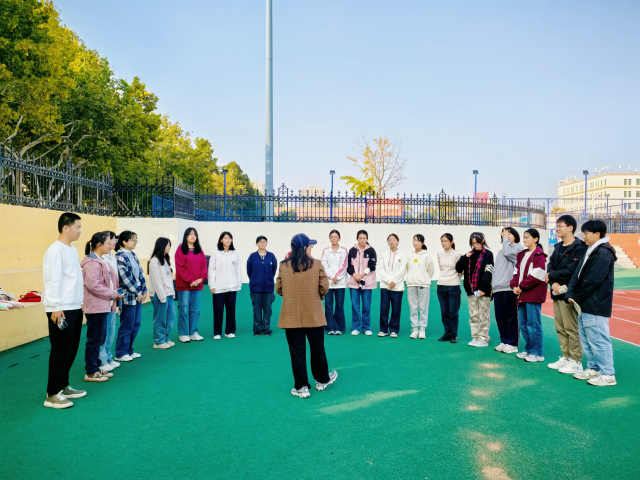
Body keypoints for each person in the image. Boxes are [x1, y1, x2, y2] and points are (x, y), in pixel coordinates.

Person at [276, 233, 337, 398]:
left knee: (297, 352)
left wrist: (291, 297)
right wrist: (317, 297)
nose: (311, 248)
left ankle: (301, 387)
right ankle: (322, 380)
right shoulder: (316, 264)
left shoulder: (283, 265)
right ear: (304, 248)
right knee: (317, 349)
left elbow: (279, 288)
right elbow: (324, 287)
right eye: (310, 246)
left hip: (291, 316)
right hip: (314, 314)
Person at [565, 220, 617, 386]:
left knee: (598, 339)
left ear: (597, 234)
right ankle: (594, 368)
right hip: (585, 303)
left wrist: (576, 297)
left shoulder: (604, 252)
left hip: (596, 304)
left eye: (586, 233)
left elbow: (593, 280)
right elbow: (577, 275)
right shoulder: (591, 250)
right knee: (587, 339)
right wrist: (571, 293)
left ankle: (608, 374)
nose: (583, 236)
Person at [43, 213, 86, 409]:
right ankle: (52, 394)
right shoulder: (55, 250)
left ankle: (63, 386)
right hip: (60, 309)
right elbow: (53, 280)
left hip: (74, 306)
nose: (80, 231)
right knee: (60, 350)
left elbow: (74, 279)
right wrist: (55, 307)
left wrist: (80, 302)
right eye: (78, 227)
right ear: (65, 227)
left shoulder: (72, 249)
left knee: (71, 348)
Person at [546, 215, 587, 374]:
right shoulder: (557, 247)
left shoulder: (579, 247)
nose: (557, 229)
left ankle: (576, 360)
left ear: (570, 227)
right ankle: (566, 357)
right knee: (560, 327)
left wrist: (552, 276)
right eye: (556, 226)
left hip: (569, 293)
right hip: (556, 291)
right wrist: (553, 282)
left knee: (570, 327)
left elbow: (571, 270)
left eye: (560, 226)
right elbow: (550, 266)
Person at [81, 231, 122, 382]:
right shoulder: (92, 263)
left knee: (100, 338)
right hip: (95, 306)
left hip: (103, 304)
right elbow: (93, 285)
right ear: (99, 244)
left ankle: (96, 367)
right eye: (108, 243)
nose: (111, 245)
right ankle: (91, 371)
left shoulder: (100, 260)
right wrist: (112, 294)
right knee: (94, 339)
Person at [510, 228, 547, 363]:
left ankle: (537, 353)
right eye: (524, 237)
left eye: (527, 237)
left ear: (536, 239)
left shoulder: (539, 255)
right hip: (522, 294)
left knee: (533, 325)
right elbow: (516, 273)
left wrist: (521, 287)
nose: (524, 239)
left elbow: (536, 276)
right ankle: (529, 349)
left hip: (532, 295)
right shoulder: (522, 254)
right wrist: (514, 286)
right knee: (524, 325)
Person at [456, 233, 494, 347]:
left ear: (483, 241)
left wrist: (483, 288)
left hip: (483, 291)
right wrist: (464, 257)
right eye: (473, 243)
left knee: (483, 315)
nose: (475, 245)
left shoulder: (488, 254)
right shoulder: (469, 255)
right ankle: (475, 337)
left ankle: (483, 339)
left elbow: (488, 271)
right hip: (471, 290)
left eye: (477, 243)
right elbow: (458, 268)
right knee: (473, 315)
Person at [114, 231, 147, 362]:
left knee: (136, 324)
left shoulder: (133, 254)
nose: (135, 242)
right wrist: (139, 292)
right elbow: (126, 278)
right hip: (128, 296)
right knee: (126, 325)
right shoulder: (120, 256)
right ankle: (120, 352)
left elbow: (141, 273)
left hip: (138, 295)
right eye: (133, 240)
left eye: (135, 240)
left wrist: (144, 290)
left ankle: (129, 350)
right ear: (124, 242)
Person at [491, 227, 525, 354]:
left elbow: (509, 253)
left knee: (512, 317)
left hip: (510, 288)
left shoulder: (518, 248)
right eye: (505, 234)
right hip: (498, 288)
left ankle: (513, 343)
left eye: (509, 233)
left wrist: (505, 239)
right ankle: (504, 340)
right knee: (500, 316)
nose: (506, 235)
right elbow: (496, 270)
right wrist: (492, 287)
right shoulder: (501, 251)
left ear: (515, 236)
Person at [174, 228, 208, 343]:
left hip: (198, 285)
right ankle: (183, 334)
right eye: (190, 234)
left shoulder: (199, 251)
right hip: (184, 285)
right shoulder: (180, 249)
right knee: (184, 308)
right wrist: (190, 281)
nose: (193, 236)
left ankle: (193, 332)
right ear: (186, 236)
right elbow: (180, 267)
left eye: (194, 235)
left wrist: (201, 278)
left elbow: (204, 266)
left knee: (195, 309)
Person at [208, 231, 242, 339]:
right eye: (225, 238)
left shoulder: (235, 253)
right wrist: (212, 285)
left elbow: (238, 270)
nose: (228, 240)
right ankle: (217, 333)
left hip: (232, 286)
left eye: (229, 238)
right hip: (219, 286)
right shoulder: (216, 253)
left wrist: (238, 285)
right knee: (218, 309)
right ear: (221, 240)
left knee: (231, 309)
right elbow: (212, 270)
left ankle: (230, 331)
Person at [347, 230, 377, 336]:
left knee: (366, 306)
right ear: (357, 239)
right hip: (354, 283)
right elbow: (349, 266)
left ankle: (366, 328)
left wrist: (361, 275)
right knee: (355, 306)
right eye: (360, 238)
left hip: (367, 283)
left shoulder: (371, 250)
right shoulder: (352, 251)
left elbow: (372, 265)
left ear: (367, 238)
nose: (362, 240)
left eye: (364, 238)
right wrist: (355, 275)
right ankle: (355, 327)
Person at [247, 235, 278, 336]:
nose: (262, 244)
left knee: (268, 309)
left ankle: (266, 329)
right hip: (256, 287)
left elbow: (274, 270)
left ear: (266, 243)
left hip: (268, 287)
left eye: (264, 242)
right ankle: (257, 330)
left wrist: (268, 278)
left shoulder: (271, 256)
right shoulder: (252, 256)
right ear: (257, 243)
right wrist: (255, 279)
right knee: (257, 309)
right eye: (260, 242)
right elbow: (249, 271)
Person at [148, 238, 176, 349]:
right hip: (160, 295)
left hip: (168, 294)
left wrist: (172, 293)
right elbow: (157, 281)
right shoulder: (155, 261)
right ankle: (158, 341)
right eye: (168, 245)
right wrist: (162, 296)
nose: (169, 247)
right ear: (162, 245)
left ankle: (165, 338)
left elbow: (168, 279)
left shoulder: (164, 260)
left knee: (170, 318)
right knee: (160, 318)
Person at [378, 234, 407, 338]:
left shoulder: (402, 255)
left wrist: (394, 281)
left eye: (394, 239)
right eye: (389, 240)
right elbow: (381, 269)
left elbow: (402, 270)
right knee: (384, 308)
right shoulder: (384, 254)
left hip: (397, 286)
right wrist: (389, 281)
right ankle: (383, 330)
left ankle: (394, 330)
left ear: (398, 241)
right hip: (385, 286)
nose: (391, 241)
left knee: (396, 309)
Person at [98, 231, 120, 372]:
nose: (114, 242)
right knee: (103, 332)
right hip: (105, 298)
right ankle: (102, 360)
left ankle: (108, 357)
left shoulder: (112, 256)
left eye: (115, 240)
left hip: (113, 297)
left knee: (111, 331)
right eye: (112, 239)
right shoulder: (101, 258)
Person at [406, 234, 435, 339]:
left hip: (423, 284)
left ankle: (422, 329)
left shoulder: (427, 256)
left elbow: (431, 270)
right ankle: (414, 329)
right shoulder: (409, 256)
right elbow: (408, 268)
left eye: (418, 241)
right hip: (411, 284)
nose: (415, 243)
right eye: (414, 240)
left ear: (422, 243)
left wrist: (424, 278)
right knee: (413, 308)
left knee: (423, 308)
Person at [321, 230, 349, 335]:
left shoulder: (344, 250)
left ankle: (339, 328)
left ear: (339, 238)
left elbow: (344, 265)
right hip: (329, 283)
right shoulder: (325, 251)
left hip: (340, 283)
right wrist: (332, 277)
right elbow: (324, 265)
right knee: (328, 305)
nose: (334, 239)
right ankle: (330, 328)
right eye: (332, 237)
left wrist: (336, 277)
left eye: (336, 237)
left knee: (339, 305)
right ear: (329, 238)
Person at [437, 234, 462, 343]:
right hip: (441, 285)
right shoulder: (439, 254)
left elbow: (460, 272)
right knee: (444, 312)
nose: (444, 243)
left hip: (454, 286)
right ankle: (447, 333)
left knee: (453, 312)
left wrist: (453, 279)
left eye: (446, 241)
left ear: (451, 242)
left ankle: (454, 334)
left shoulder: (457, 255)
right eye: (442, 241)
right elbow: (441, 269)